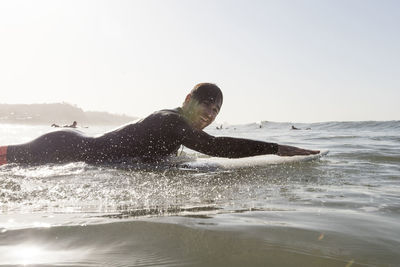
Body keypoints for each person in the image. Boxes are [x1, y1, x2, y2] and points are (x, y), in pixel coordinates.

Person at [0, 83, 319, 166]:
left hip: (74, 147)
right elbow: (215, 147)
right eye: (206, 103)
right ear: (187, 100)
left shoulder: (180, 129)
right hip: (64, 148)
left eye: (216, 109)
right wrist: (278, 149)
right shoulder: (170, 122)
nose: (210, 113)